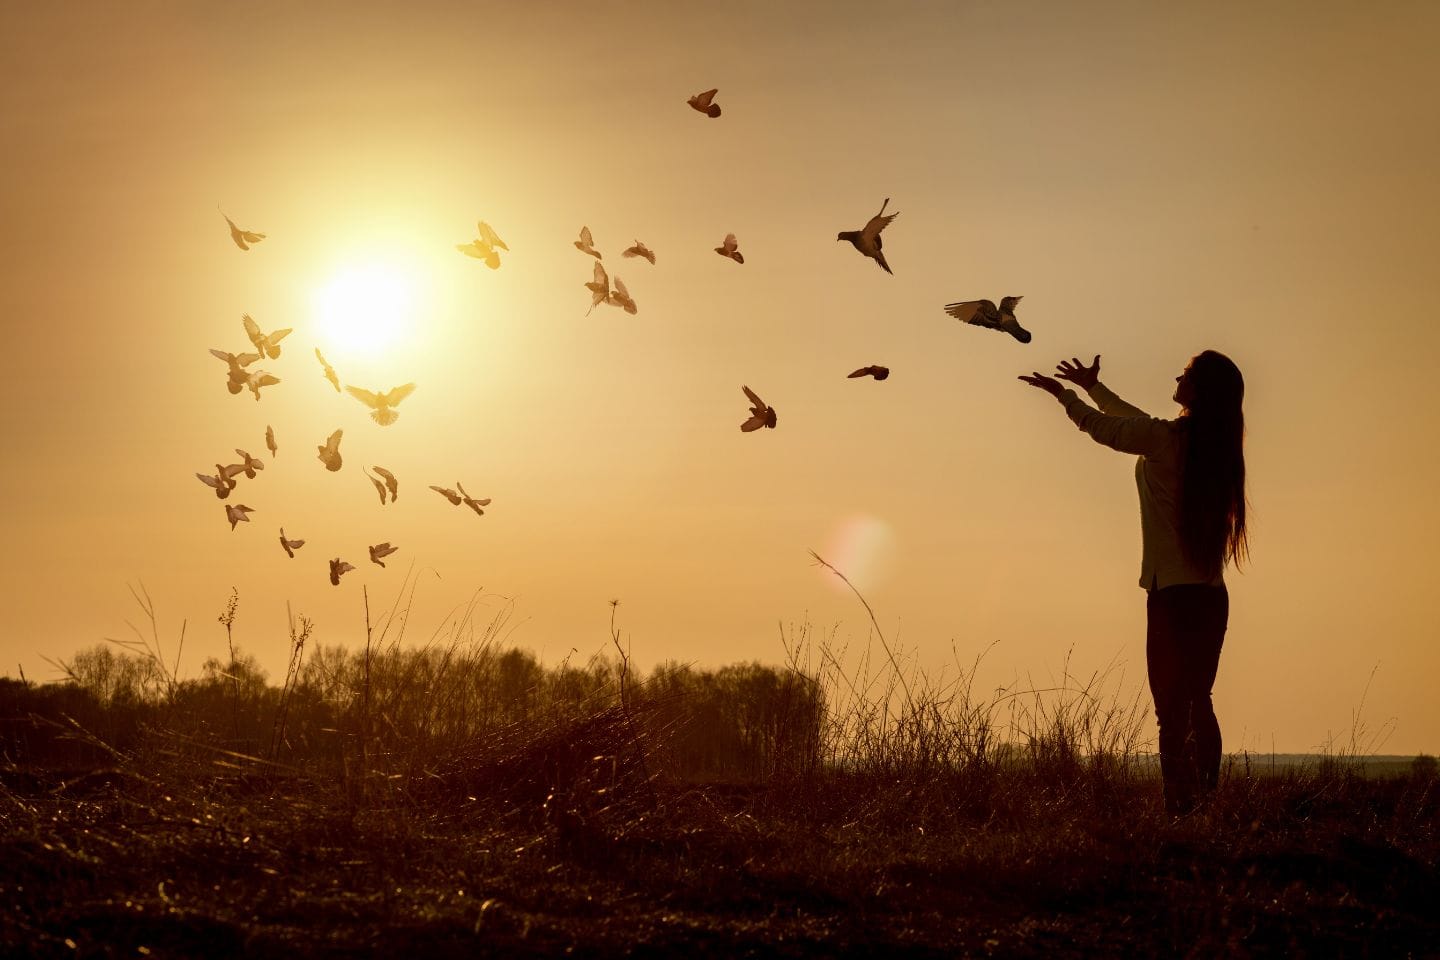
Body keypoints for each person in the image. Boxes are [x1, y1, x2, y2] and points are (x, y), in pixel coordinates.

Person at [1019, 352, 1249, 814]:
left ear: (1198, 391)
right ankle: (1204, 801)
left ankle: (1179, 809)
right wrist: (1093, 389)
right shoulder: (1211, 446)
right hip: (1209, 596)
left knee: (1171, 707)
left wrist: (1065, 396)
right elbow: (1136, 421)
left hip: (1171, 597)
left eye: (1185, 373)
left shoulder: (1165, 440)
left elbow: (1111, 430)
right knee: (1198, 700)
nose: (1176, 375)